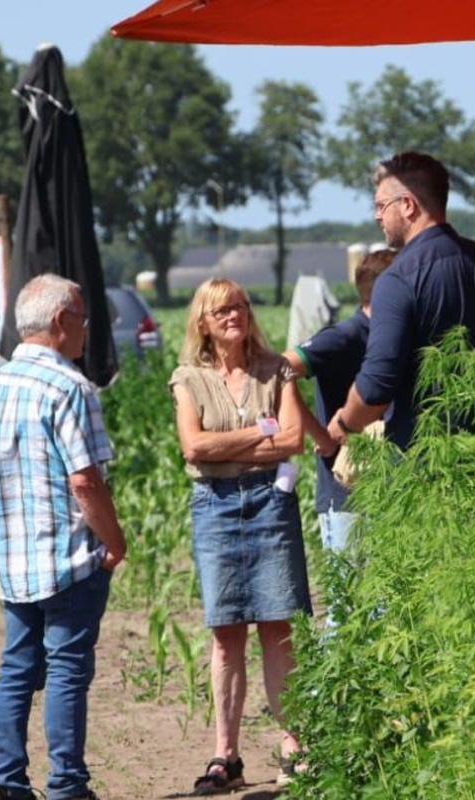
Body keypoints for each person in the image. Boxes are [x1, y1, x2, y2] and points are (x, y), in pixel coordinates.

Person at [0, 275, 129, 800]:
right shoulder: (71, 387)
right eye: (83, 318)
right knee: (66, 669)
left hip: (13, 559)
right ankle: (67, 784)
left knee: (17, 666)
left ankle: (6, 779)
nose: (86, 330)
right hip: (65, 556)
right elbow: (85, 480)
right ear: (61, 322)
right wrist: (116, 542)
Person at [169, 278, 314, 793]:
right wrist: (262, 431)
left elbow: (294, 438)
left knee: (279, 628)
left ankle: (294, 747)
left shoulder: (277, 369)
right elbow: (193, 447)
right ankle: (224, 755)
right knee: (225, 634)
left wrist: (227, 445)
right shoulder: (188, 377)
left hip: (271, 502)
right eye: (223, 310)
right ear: (204, 322)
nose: (235, 315)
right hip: (216, 505)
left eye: (241, 306)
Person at [327, 151, 475, 451]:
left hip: (427, 466)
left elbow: (376, 387)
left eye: (382, 206)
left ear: (407, 205)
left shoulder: (397, 280)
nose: (376, 216)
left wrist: (343, 423)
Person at [282, 249, 393, 564]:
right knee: (348, 607)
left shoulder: (397, 338)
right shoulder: (345, 337)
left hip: (392, 495)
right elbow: (280, 372)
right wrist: (323, 437)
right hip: (348, 497)